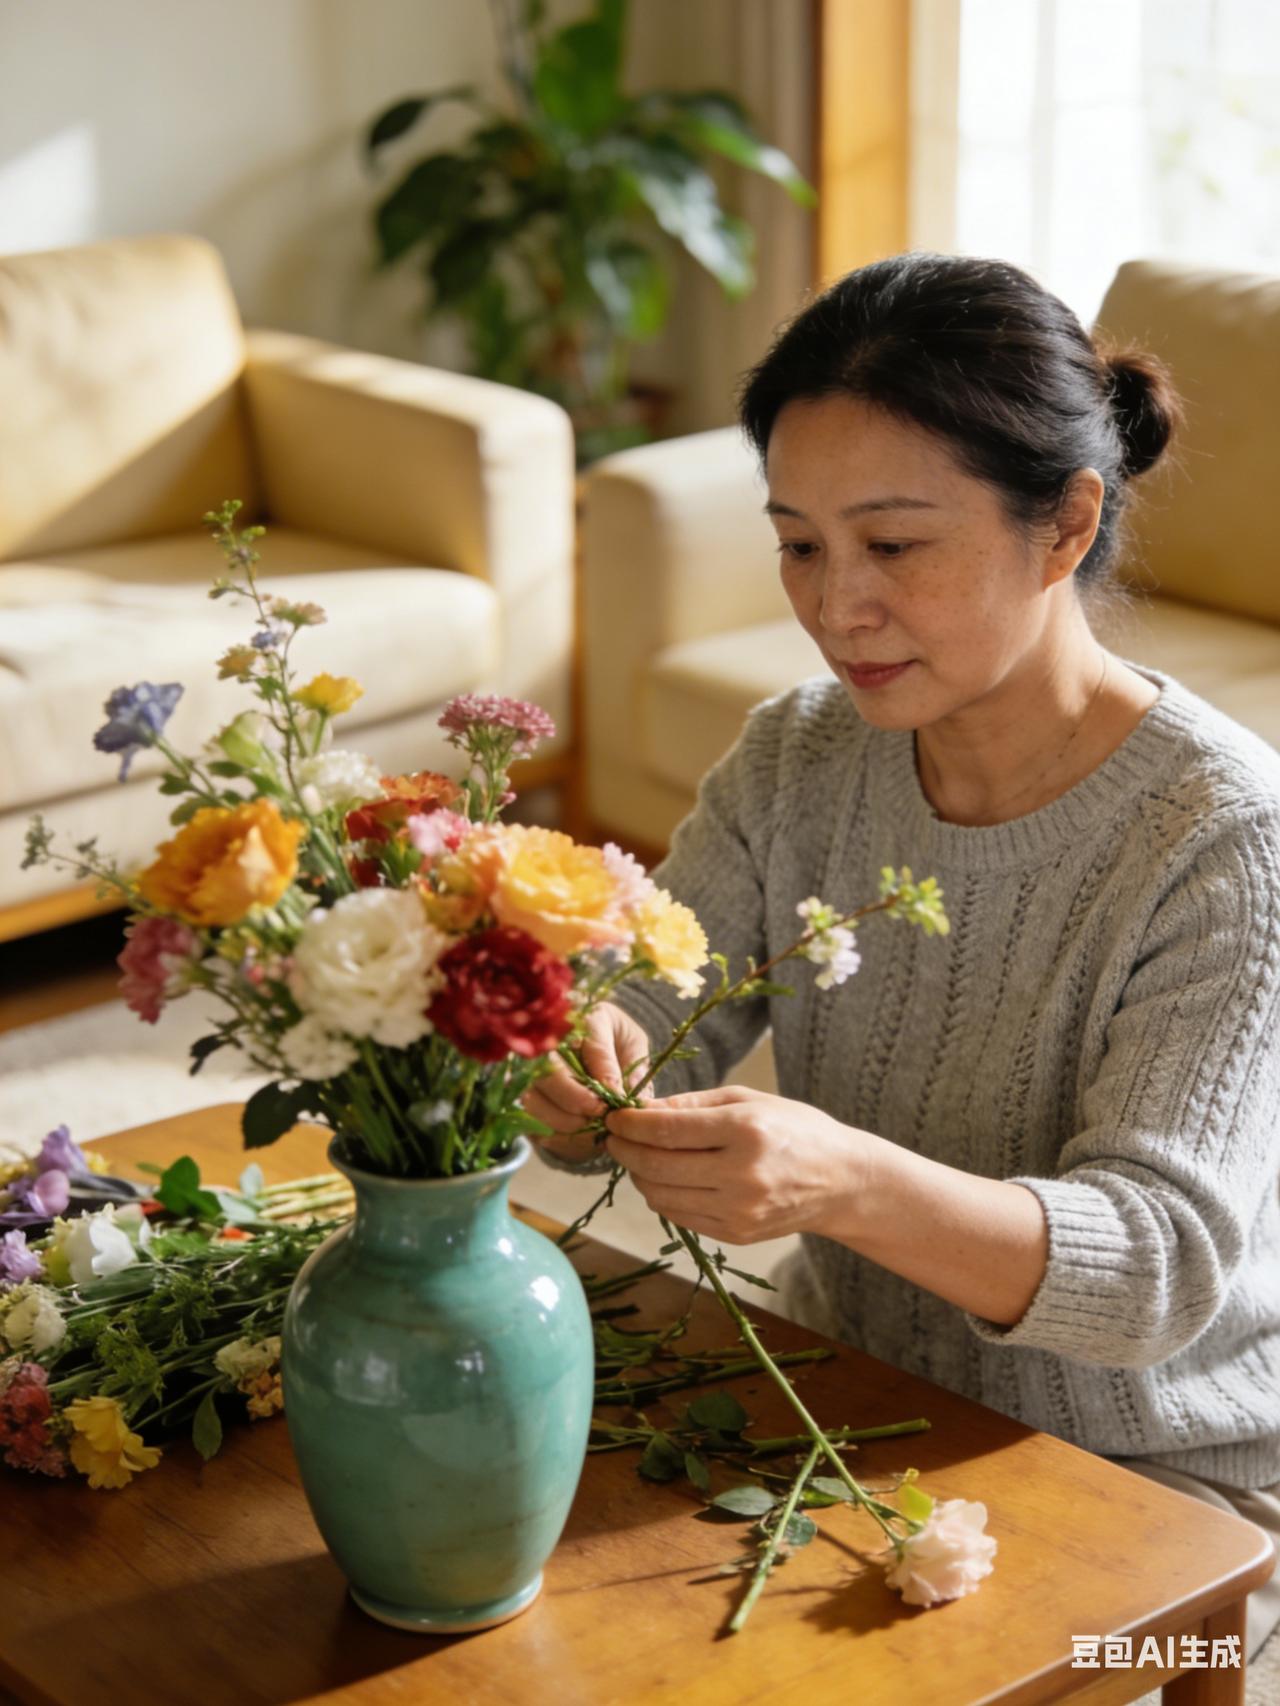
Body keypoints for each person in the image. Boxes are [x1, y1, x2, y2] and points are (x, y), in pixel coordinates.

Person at [527, 252, 1280, 1659]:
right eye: (800, 544)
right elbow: (649, 1007)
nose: (836, 604)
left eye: (895, 543)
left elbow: (1160, 1269)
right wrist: (580, 1057)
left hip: (1167, 1475)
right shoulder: (798, 755)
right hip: (851, 1391)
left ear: (1065, 527)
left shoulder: (1224, 836)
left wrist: (847, 1178)